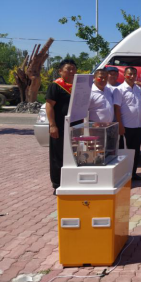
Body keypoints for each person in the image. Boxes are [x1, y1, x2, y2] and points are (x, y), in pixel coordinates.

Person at [46, 59, 77, 194]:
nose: (71, 71)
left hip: (75, 126)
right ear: (60, 71)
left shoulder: (78, 85)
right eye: (68, 69)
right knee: (58, 156)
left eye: (73, 68)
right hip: (60, 126)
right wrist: (52, 125)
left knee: (74, 155)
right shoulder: (56, 86)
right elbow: (49, 106)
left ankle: (72, 181)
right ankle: (58, 184)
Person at [113, 67, 141, 181]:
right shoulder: (119, 90)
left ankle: (133, 173)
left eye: (134, 74)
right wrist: (120, 125)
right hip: (126, 126)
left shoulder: (139, 89)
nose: (132, 76)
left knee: (135, 151)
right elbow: (117, 109)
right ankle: (123, 175)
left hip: (138, 125)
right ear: (124, 75)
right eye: (129, 74)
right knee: (124, 152)